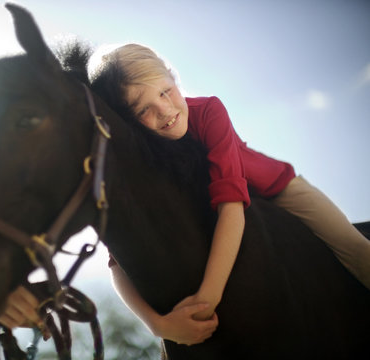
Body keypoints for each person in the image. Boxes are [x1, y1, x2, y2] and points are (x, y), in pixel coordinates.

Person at [87, 43, 370, 347]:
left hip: (276, 188)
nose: (165, 110)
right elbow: (116, 260)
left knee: (355, 248)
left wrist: (206, 301)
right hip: (216, 206)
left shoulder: (209, 111)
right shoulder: (144, 162)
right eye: (144, 109)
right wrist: (159, 326)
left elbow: (231, 206)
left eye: (165, 91)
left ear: (172, 76)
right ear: (128, 121)